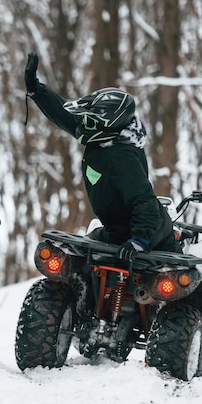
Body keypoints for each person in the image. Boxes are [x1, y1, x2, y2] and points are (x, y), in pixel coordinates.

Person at [24, 51, 180, 261]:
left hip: (151, 236)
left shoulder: (121, 157)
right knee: (78, 264)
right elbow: (66, 116)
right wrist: (36, 89)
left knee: (172, 287)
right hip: (116, 231)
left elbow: (144, 201)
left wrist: (139, 240)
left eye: (91, 121)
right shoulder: (101, 139)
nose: (84, 125)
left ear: (109, 124)